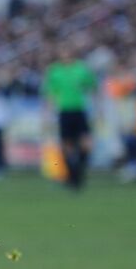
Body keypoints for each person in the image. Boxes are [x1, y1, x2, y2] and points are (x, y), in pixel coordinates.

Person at [42, 44, 99, 191]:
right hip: (64, 111)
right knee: (67, 146)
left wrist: (99, 108)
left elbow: (93, 87)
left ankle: (78, 172)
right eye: (63, 52)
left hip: (79, 110)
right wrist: (47, 115)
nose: (66, 55)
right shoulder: (54, 71)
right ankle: (72, 176)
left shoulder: (81, 69)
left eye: (68, 52)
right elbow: (49, 94)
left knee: (86, 144)